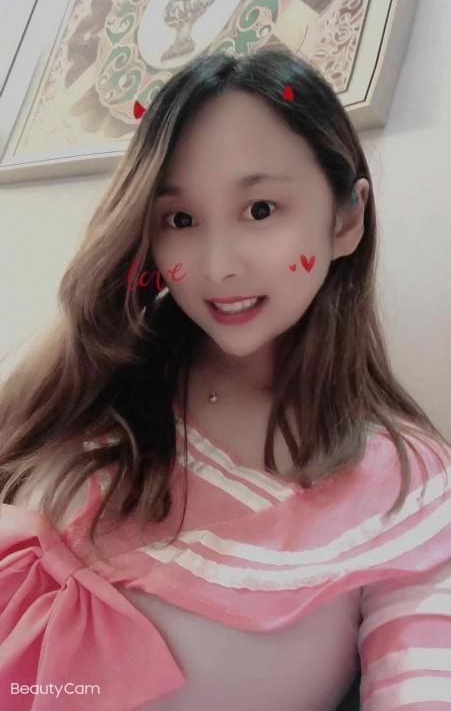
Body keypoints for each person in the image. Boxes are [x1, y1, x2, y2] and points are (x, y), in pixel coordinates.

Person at [0, 46, 450, 711]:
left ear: (346, 219)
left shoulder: (403, 486)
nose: (217, 266)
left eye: (260, 209)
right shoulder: (93, 380)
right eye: (180, 220)